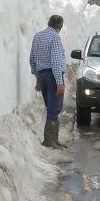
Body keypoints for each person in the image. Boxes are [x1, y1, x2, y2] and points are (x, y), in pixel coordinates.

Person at [29, 14, 67, 148]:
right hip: (53, 76)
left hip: (42, 75)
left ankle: (53, 140)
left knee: (51, 107)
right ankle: (49, 141)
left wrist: (38, 79)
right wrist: (60, 83)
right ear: (60, 26)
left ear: (49, 23)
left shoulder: (38, 36)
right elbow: (56, 62)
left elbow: (32, 58)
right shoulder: (55, 37)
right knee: (54, 107)